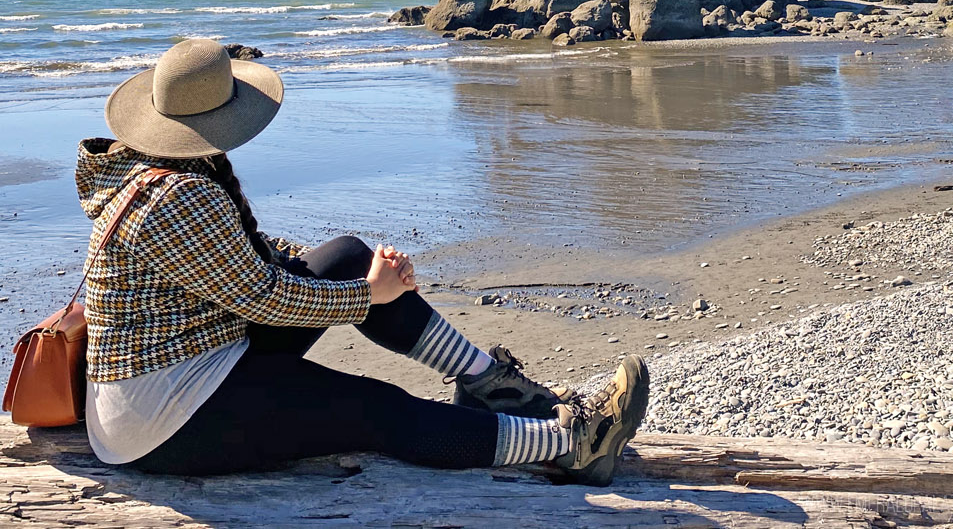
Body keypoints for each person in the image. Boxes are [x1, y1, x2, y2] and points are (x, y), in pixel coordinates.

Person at [77, 38, 648, 485]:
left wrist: (368, 278)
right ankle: (574, 447)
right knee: (378, 412)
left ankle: (486, 383)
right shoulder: (177, 196)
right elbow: (261, 298)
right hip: (164, 421)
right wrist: (372, 294)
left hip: (197, 364)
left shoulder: (157, 173)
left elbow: (241, 259)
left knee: (349, 255)